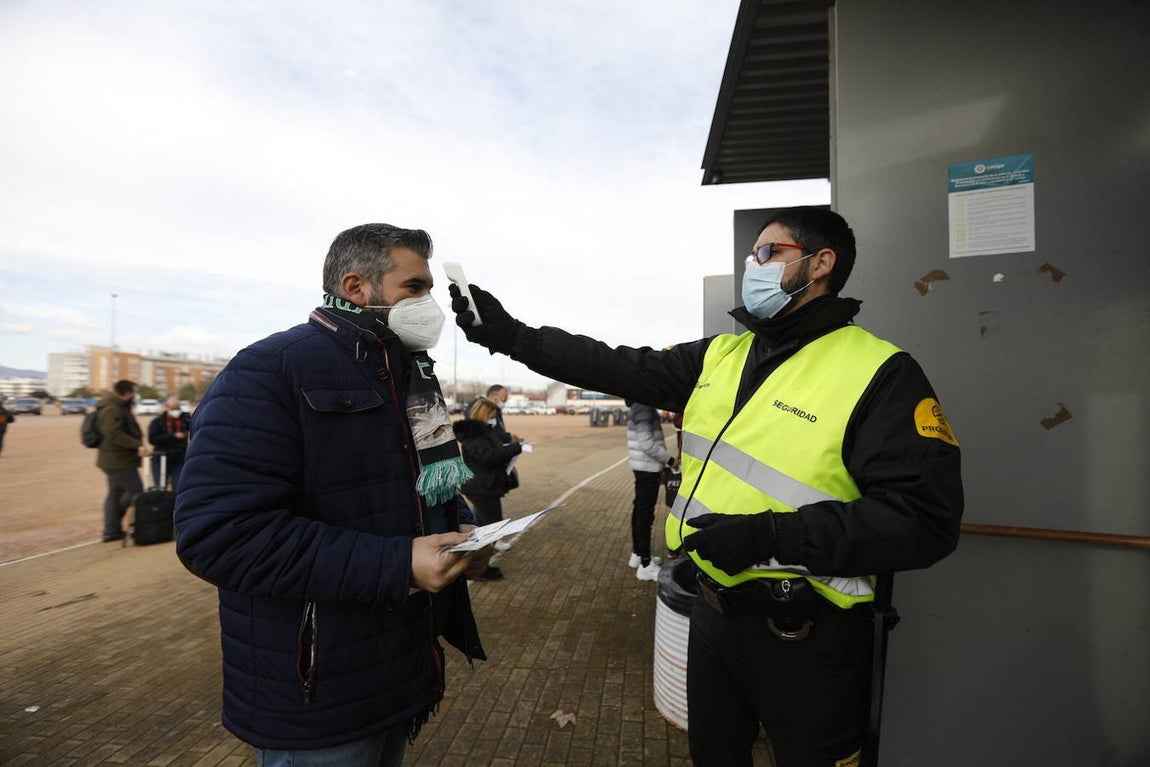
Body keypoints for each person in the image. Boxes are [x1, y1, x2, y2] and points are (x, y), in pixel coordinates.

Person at [448, 206, 963, 767]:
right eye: (752, 256)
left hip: (808, 638)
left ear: (821, 264)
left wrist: (768, 536)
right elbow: (614, 365)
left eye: (769, 253)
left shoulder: (882, 373)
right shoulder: (723, 353)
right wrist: (510, 336)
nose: (753, 266)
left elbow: (923, 521)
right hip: (714, 616)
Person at [173, 223, 490, 767]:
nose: (430, 303)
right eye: (415, 287)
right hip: (315, 691)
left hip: (397, 671)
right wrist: (398, 563)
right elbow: (218, 535)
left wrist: (460, 532)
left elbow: (413, 490)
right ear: (356, 287)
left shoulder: (410, 379)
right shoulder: (268, 370)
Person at [452, 397, 524, 582]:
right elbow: (489, 456)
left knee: (484, 524)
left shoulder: (482, 431)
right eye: (492, 416)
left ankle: (477, 565)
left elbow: (496, 438)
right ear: (485, 414)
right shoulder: (474, 435)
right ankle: (478, 568)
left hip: (485, 485)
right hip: (481, 486)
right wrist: (516, 448)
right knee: (492, 527)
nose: (494, 420)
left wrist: (510, 439)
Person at [626, 400, 678, 581]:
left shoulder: (637, 405)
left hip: (642, 467)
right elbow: (646, 442)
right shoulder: (644, 407)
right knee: (645, 515)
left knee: (639, 509)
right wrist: (670, 460)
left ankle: (638, 554)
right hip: (647, 468)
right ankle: (646, 564)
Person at [95, 380, 148, 542]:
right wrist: (137, 445)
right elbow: (114, 434)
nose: (135, 395)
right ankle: (111, 528)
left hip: (117, 459)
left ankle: (112, 530)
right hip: (117, 460)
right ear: (127, 393)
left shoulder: (118, 406)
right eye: (134, 392)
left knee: (115, 494)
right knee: (136, 490)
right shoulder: (113, 409)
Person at [147, 396, 191, 490]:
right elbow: (152, 439)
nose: (176, 411)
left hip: (180, 457)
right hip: (161, 457)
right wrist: (174, 436)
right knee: (161, 487)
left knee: (178, 487)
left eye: (177, 408)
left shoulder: (186, 419)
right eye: (173, 408)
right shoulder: (157, 422)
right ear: (166, 408)